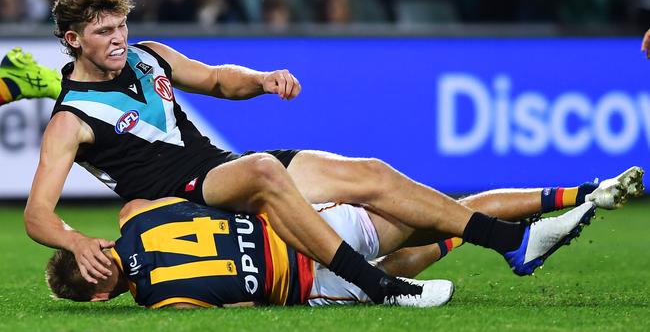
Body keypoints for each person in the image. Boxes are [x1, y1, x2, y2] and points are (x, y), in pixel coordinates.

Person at [20, 0, 646, 307]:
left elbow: (213, 80)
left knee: (370, 176)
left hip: (222, 170)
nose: (118, 37)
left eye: (122, 24)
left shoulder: (151, 56)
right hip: (185, 198)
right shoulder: (69, 118)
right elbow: (37, 212)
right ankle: (378, 289)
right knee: (265, 170)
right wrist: (75, 240)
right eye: (104, 30)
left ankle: (511, 244)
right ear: (73, 39)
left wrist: (261, 81)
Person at [46, 196, 600, 308]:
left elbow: (239, 309)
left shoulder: (161, 303)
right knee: (441, 207)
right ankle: (571, 196)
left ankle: (465, 239)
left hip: (309, 284)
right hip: (306, 229)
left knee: (404, 261)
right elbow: (192, 196)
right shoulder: (136, 217)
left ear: (98, 296)